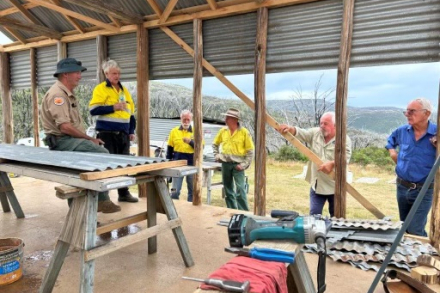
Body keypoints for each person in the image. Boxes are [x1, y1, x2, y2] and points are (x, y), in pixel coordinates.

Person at [40, 57, 121, 213]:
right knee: (102, 153)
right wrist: (90, 139)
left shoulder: (66, 92)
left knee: (80, 173)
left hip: (69, 139)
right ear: (66, 74)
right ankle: (102, 200)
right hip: (63, 140)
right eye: (77, 72)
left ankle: (83, 215)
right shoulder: (58, 95)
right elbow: (65, 127)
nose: (80, 75)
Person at [278, 112, 352, 217]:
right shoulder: (315, 133)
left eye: (325, 124)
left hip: (335, 185)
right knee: (314, 216)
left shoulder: (344, 139)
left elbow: (345, 158)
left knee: (337, 217)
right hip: (318, 184)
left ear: (335, 126)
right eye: (321, 123)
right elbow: (301, 133)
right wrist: (290, 129)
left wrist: (333, 163)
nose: (322, 126)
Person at [386, 98, 437, 236]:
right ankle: (410, 257)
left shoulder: (437, 133)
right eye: (406, 111)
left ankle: (426, 255)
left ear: (426, 113)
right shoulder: (402, 131)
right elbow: (390, 141)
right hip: (402, 186)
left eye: (412, 111)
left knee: (415, 228)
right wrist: (392, 153)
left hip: (424, 189)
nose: (407, 114)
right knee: (405, 227)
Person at [89, 60, 138, 203]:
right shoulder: (100, 89)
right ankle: (104, 198)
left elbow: (131, 114)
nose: (117, 76)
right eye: (114, 73)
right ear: (106, 74)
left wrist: (131, 131)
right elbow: (93, 110)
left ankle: (124, 193)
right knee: (106, 165)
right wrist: (113, 107)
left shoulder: (124, 91)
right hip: (107, 134)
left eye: (119, 73)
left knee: (124, 165)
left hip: (123, 135)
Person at [212, 108, 254, 211]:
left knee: (240, 189)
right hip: (225, 164)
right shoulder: (223, 131)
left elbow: (250, 151)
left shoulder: (244, 132)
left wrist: (243, 165)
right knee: (228, 189)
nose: (225, 120)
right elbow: (215, 144)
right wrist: (217, 155)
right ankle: (232, 211)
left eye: (228, 118)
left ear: (235, 120)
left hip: (238, 165)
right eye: (226, 117)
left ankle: (243, 213)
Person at [166, 110, 199, 202]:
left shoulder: (196, 132)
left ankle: (192, 210)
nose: (186, 122)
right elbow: (169, 149)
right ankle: (173, 206)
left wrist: (191, 142)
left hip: (192, 164)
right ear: (181, 119)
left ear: (191, 119)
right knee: (174, 190)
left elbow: (201, 147)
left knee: (192, 191)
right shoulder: (174, 131)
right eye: (184, 119)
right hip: (177, 165)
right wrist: (168, 163)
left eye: (188, 119)